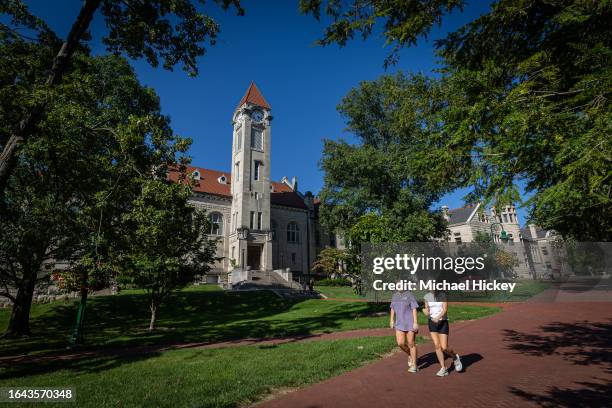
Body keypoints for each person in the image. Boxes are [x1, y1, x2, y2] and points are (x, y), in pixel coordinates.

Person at [423, 290, 462, 377]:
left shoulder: (443, 295)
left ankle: (455, 357)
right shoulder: (426, 296)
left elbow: (445, 309)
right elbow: (427, 309)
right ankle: (443, 368)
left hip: (442, 322)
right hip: (432, 323)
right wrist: (426, 311)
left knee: (444, 347)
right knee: (437, 345)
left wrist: (438, 317)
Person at [390, 289, 419, 373]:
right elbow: (392, 308)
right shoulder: (394, 296)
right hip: (399, 323)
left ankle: (414, 365)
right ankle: (410, 354)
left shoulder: (410, 295)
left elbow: (414, 309)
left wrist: (415, 322)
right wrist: (391, 320)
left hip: (410, 323)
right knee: (400, 343)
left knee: (411, 343)